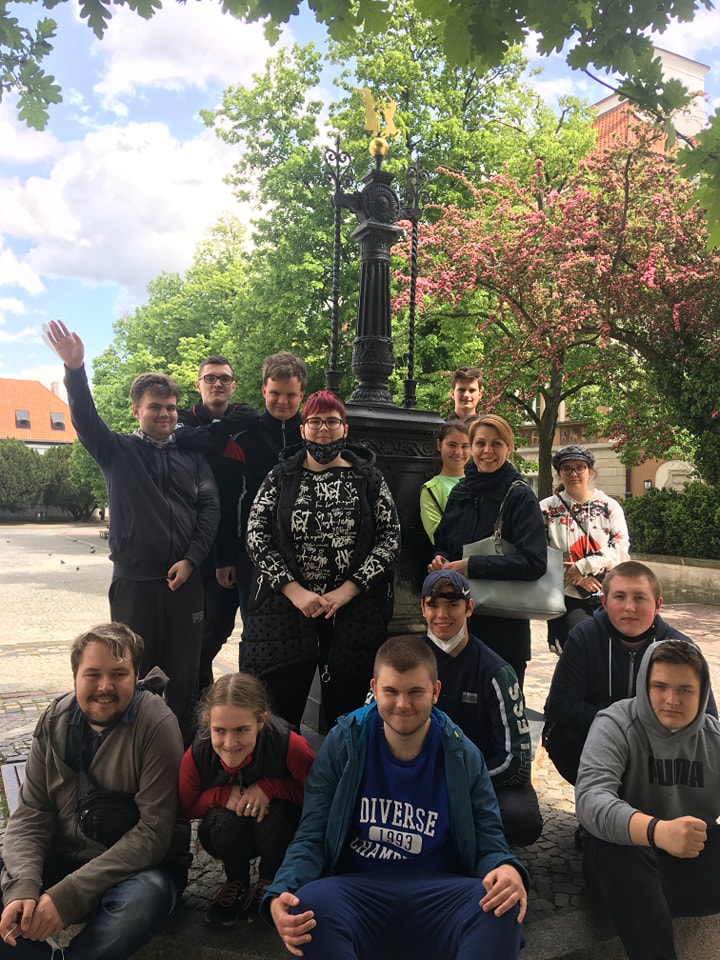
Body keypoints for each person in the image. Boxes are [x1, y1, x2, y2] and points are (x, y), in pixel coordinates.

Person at [263, 635, 528, 960]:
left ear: (435, 691)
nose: (403, 704)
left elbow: (489, 840)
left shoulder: (463, 753)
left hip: (440, 892)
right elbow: (312, 835)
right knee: (304, 909)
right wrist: (282, 889)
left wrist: (506, 868)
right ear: (374, 689)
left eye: (415, 691)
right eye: (391, 691)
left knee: (503, 910)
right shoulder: (343, 743)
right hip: (358, 890)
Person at [44, 320, 220, 741]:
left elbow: (210, 510)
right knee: (131, 675)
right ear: (136, 410)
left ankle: (178, 755)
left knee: (184, 676)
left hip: (186, 583)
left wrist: (191, 559)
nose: (165, 414)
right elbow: (85, 418)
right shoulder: (116, 451)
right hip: (135, 584)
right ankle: (130, 750)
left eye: (171, 407)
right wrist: (75, 369)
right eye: (155, 406)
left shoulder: (192, 458)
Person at [0, 623, 187, 960]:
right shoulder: (54, 720)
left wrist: (68, 896)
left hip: (137, 872)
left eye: (119, 674)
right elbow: (32, 812)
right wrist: (23, 886)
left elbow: (153, 832)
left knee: (140, 904)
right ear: (75, 676)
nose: (105, 686)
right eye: (93, 674)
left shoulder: (156, 724)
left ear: (135, 676)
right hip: (62, 858)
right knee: (11, 889)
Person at [244, 390, 401, 729]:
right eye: (315, 421)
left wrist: (348, 590)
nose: (324, 429)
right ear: (303, 429)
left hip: (352, 614)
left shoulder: (369, 478)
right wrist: (293, 590)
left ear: (345, 428)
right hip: (284, 613)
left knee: (348, 718)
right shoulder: (280, 477)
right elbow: (256, 536)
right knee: (277, 717)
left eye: (332, 421)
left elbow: (390, 539)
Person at [575, 639, 720, 960]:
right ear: (644, 685)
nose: (672, 699)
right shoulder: (616, 723)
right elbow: (590, 800)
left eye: (685, 690)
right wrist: (658, 831)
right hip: (622, 868)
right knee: (617, 851)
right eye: (660, 686)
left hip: (687, 866)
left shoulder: (714, 738)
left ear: (702, 693)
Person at [543, 561, 717, 786]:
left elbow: (707, 719)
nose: (629, 607)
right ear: (604, 602)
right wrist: (621, 725)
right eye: (619, 597)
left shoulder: (682, 648)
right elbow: (559, 706)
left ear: (658, 604)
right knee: (563, 738)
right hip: (600, 738)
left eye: (640, 598)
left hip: (660, 749)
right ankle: (597, 796)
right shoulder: (583, 638)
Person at [179, 673, 315, 926]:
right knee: (222, 819)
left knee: (275, 816)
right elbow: (184, 808)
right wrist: (221, 795)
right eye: (219, 730)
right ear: (208, 723)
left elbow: (318, 798)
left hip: (280, 828)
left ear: (261, 720)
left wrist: (271, 788)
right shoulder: (197, 752)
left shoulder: (290, 745)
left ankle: (271, 880)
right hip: (229, 832)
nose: (230, 743)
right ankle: (236, 879)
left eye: (242, 729)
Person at [420, 570, 543, 845]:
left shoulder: (496, 671)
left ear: (469, 608)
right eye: (433, 605)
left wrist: (458, 782)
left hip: (480, 776)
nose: (442, 614)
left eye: (452, 604)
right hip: (418, 775)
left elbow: (516, 761)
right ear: (422, 608)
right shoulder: (406, 660)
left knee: (521, 817)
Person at [430, 413, 547, 688]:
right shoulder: (460, 491)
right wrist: (439, 559)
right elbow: (443, 541)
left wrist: (471, 566)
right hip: (457, 623)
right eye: (480, 443)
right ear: (471, 447)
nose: (487, 451)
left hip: (503, 628)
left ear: (508, 448)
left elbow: (534, 562)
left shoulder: (519, 496)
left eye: (496, 444)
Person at [176, 355, 257, 691]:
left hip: (231, 541)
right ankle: (193, 688)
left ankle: (202, 688)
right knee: (198, 626)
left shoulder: (245, 415)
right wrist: (223, 431)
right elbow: (188, 439)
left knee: (223, 626)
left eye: (224, 378)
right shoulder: (182, 419)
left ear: (233, 385)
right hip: (190, 542)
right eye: (210, 378)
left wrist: (211, 432)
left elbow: (244, 418)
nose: (217, 384)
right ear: (198, 384)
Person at [540, 444, 630, 653]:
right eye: (567, 469)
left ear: (590, 471)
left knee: (611, 653)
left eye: (580, 467)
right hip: (566, 597)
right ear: (559, 473)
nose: (574, 473)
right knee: (579, 651)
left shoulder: (609, 506)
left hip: (609, 594)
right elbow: (539, 552)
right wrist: (576, 577)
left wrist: (584, 566)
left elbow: (621, 548)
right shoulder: (545, 509)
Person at [419, 421, 471, 545]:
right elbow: (437, 537)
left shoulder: (482, 482)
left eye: (464, 446)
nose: (458, 452)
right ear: (439, 445)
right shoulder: (431, 489)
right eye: (452, 445)